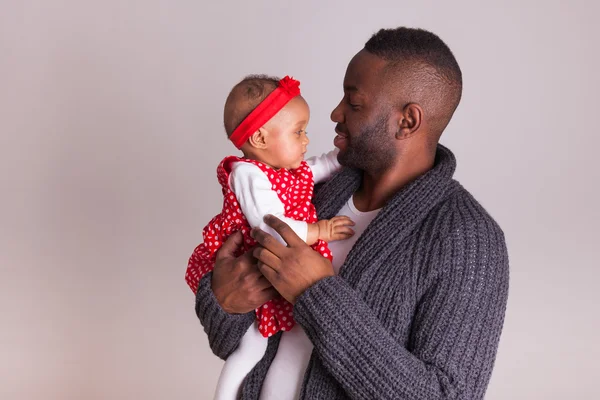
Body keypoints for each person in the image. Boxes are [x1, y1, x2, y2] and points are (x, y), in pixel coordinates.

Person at [191, 27, 510, 400]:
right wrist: (223, 301)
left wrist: (317, 293)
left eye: (354, 104)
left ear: (407, 121)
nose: (334, 113)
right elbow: (234, 340)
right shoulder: (308, 195)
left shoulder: (468, 240)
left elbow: (444, 395)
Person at [185, 75, 355, 399]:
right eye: (298, 131)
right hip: (257, 259)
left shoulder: (289, 171)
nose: (306, 140)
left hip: (279, 264)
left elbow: (320, 166)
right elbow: (271, 227)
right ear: (261, 138)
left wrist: (342, 154)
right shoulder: (248, 174)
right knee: (251, 345)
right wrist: (321, 229)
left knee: (273, 341)